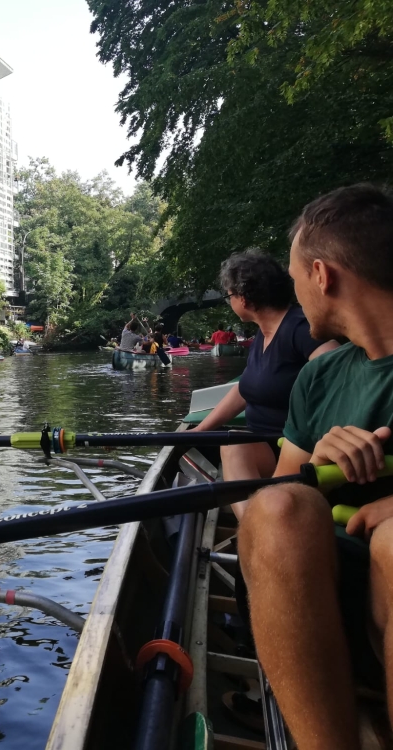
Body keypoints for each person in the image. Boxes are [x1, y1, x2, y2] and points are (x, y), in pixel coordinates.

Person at [239, 184, 393, 750]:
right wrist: (314, 467)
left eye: (296, 274)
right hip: (323, 592)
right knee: (279, 505)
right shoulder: (320, 377)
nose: (295, 289)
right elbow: (279, 498)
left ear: (321, 275)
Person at [194, 249, 337, 516]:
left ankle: (254, 531)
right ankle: (255, 523)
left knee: (233, 445)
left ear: (244, 299)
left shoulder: (299, 327)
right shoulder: (263, 333)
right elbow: (246, 388)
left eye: (229, 296)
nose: (229, 302)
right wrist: (201, 428)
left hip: (295, 449)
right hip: (264, 445)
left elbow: (337, 374)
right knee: (225, 444)